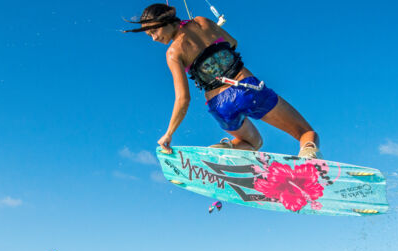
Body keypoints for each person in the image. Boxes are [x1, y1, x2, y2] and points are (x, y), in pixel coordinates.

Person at [126, 4, 320, 158]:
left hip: (219, 106)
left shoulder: (173, 53)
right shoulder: (201, 22)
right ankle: (309, 163)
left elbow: (183, 99)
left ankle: (224, 149)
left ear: (165, 21)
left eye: (153, 32)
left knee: (253, 144)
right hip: (246, 90)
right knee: (306, 133)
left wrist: (169, 133)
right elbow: (233, 42)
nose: (153, 39)